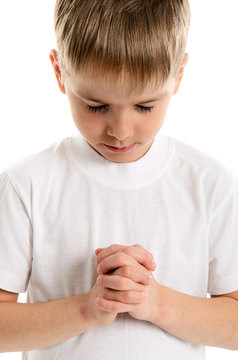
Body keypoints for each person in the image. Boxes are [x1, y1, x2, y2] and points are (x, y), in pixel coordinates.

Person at [0, 0, 238, 358]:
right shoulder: (27, 185)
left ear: (179, 75)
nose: (121, 131)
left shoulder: (210, 184)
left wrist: (154, 301)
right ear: (59, 72)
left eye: (145, 106)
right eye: (96, 105)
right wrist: (87, 308)